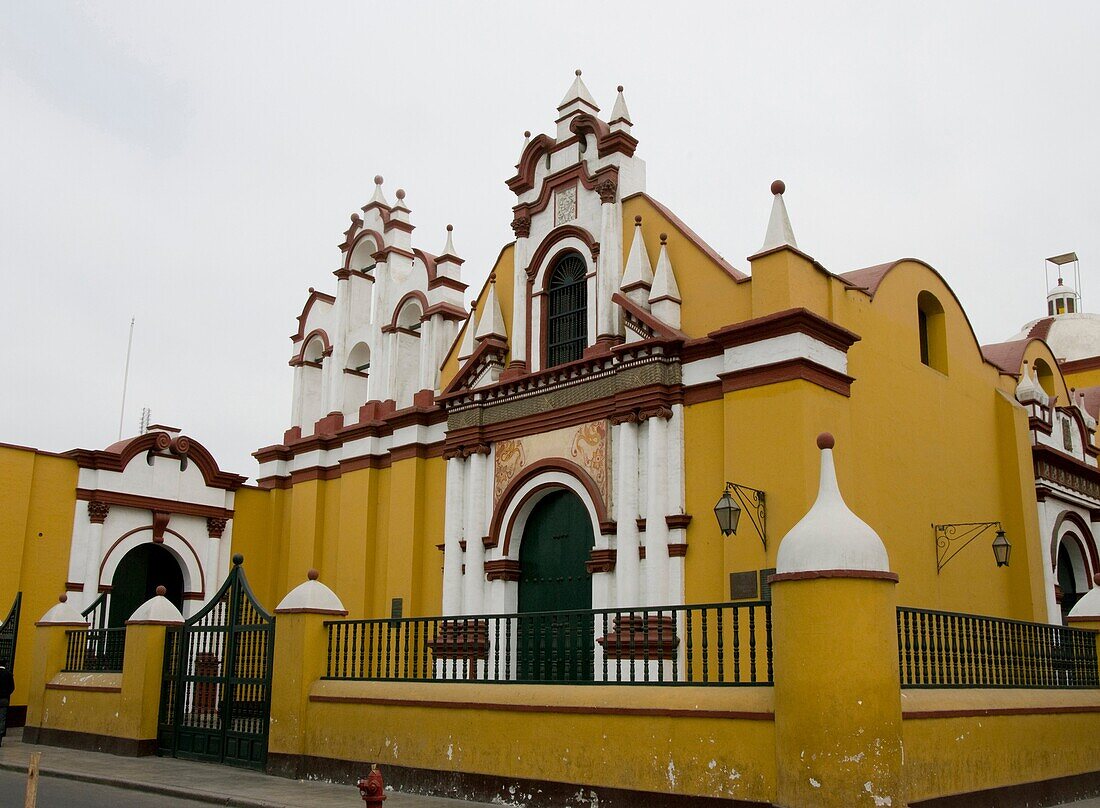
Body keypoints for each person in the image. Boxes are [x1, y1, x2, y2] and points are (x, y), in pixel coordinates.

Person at [0, 663, 14, 748]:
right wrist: (6, 693)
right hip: (4, 699)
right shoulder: (8, 674)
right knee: (2, 720)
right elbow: (12, 687)